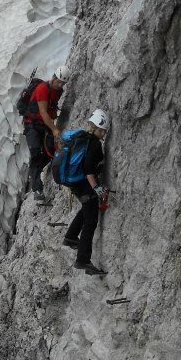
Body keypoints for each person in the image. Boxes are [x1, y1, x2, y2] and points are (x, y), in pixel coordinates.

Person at [62, 109, 109, 274]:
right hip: (85, 185)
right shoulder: (94, 144)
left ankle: (70, 237)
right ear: (96, 128)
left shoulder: (83, 139)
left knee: (86, 209)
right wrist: (97, 188)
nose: (103, 133)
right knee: (91, 220)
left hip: (75, 183)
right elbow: (89, 169)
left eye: (104, 131)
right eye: (102, 130)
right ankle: (82, 260)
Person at [23, 65, 71, 202]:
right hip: (32, 124)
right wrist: (55, 129)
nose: (60, 85)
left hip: (44, 125)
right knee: (35, 150)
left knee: (50, 151)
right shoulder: (43, 89)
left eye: (63, 83)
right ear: (54, 77)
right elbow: (43, 112)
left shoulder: (58, 90)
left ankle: (36, 171)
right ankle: (37, 187)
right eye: (59, 81)